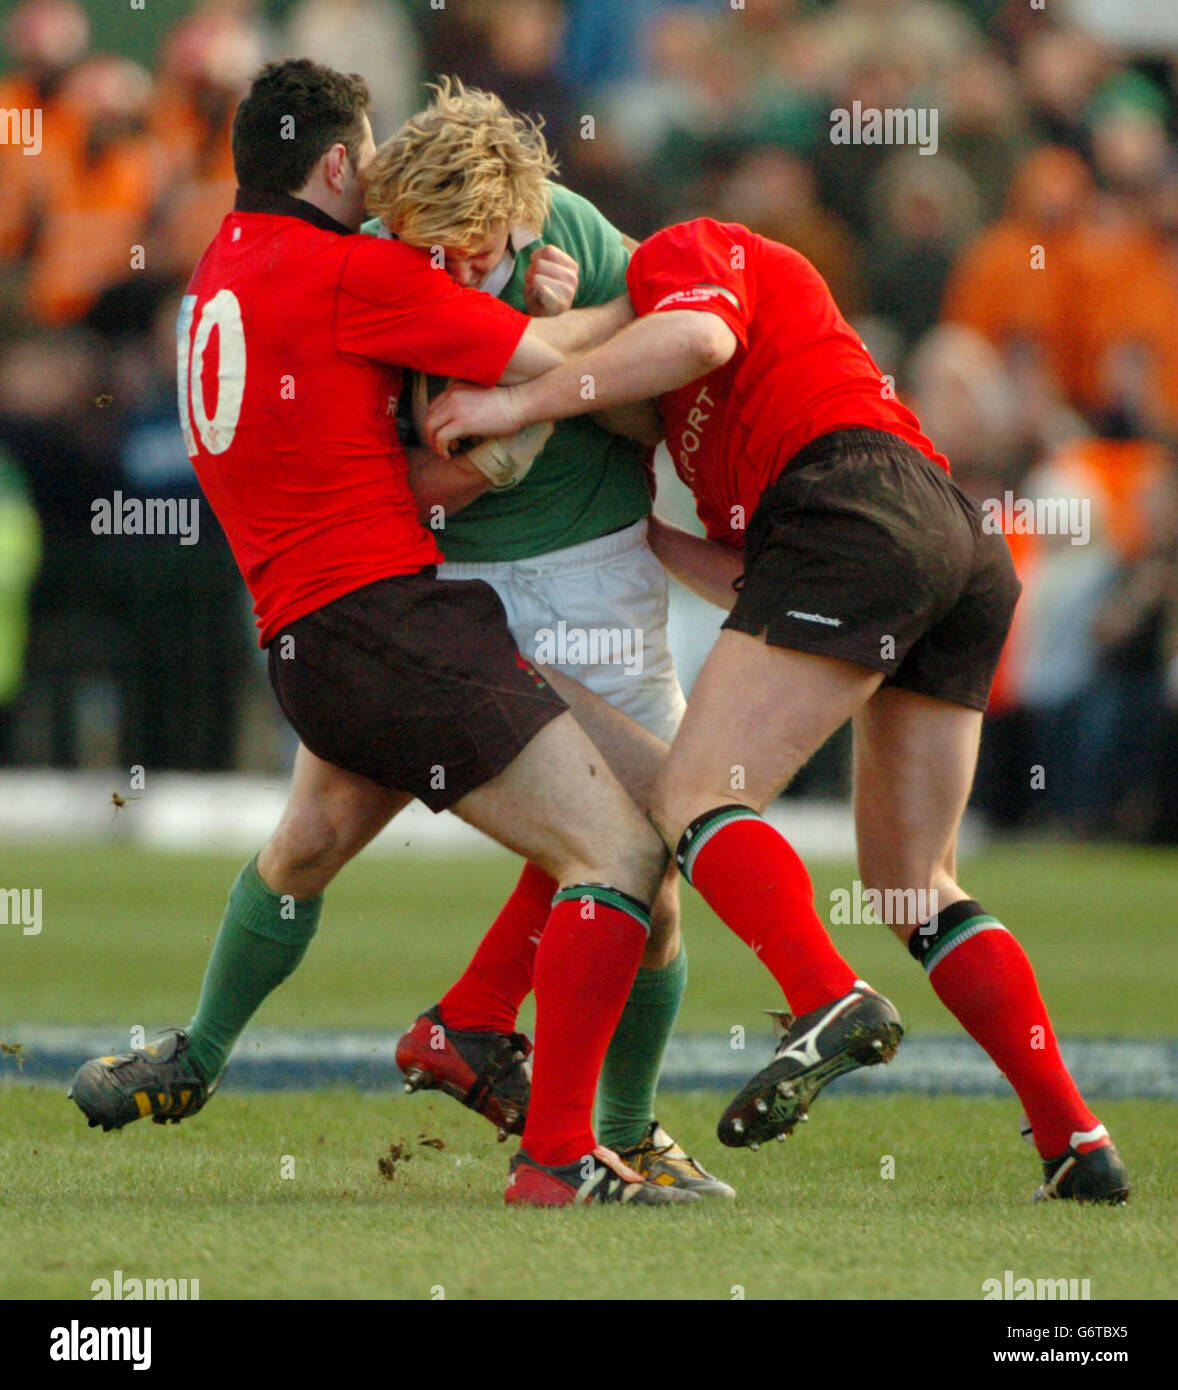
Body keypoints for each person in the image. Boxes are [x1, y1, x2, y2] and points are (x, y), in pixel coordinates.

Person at [68, 59, 695, 1210]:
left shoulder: (216, 271)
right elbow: (546, 372)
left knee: (304, 844)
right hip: (391, 625)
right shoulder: (351, 270)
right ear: (340, 161)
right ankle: (574, 1150)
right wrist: (575, 312)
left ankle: (193, 1057)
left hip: (303, 643)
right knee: (629, 847)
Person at [426, 216, 1131, 1203]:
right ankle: (1073, 1136)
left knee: (688, 793)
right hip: (941, 545)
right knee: (907, 882)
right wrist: (644, 539)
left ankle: (823, 993)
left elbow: (692, 339)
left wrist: (524, 397)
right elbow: (764, 580)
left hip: (857, 504)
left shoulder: (675, 253)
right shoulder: (693, 432)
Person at [335, 76, 726, 1197]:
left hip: (587, 570)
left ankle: (497, 1045)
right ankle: (592, 1126)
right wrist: (542, 358)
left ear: (522, 207)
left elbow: (660, 372)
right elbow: (414, 462)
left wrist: (547, 340)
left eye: (473, 250)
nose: (450, 274)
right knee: (648, 838)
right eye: (431, 253)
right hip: (482, 581)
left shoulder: (576, 231)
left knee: (636, 864)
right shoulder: (375, 253)